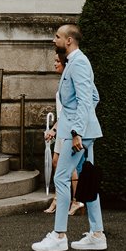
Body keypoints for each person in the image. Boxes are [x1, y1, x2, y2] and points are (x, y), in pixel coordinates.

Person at [31, 24, 106, 251]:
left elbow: (86, 100)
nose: (54, 40)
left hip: (80, 135)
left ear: (69, 40)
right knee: (86, 180)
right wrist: (71, 126)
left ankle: (59, 235)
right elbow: (94, 97)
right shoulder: (75, 62)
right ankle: (97, 234)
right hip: (82, 131)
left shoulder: (79, 62)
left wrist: (77, 132)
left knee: (62, 178)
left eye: (57, 37)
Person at [43, 50, 83, 216]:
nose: (54, 64)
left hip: (69, 130)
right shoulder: (64, 83)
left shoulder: (70, 82)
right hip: (63, 129)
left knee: (67, 165)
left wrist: (58, 129)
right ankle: (62, 199)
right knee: (56, 162)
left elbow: (71, 111)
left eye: (57, 61)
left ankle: (73, 201)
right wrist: (54, 129)